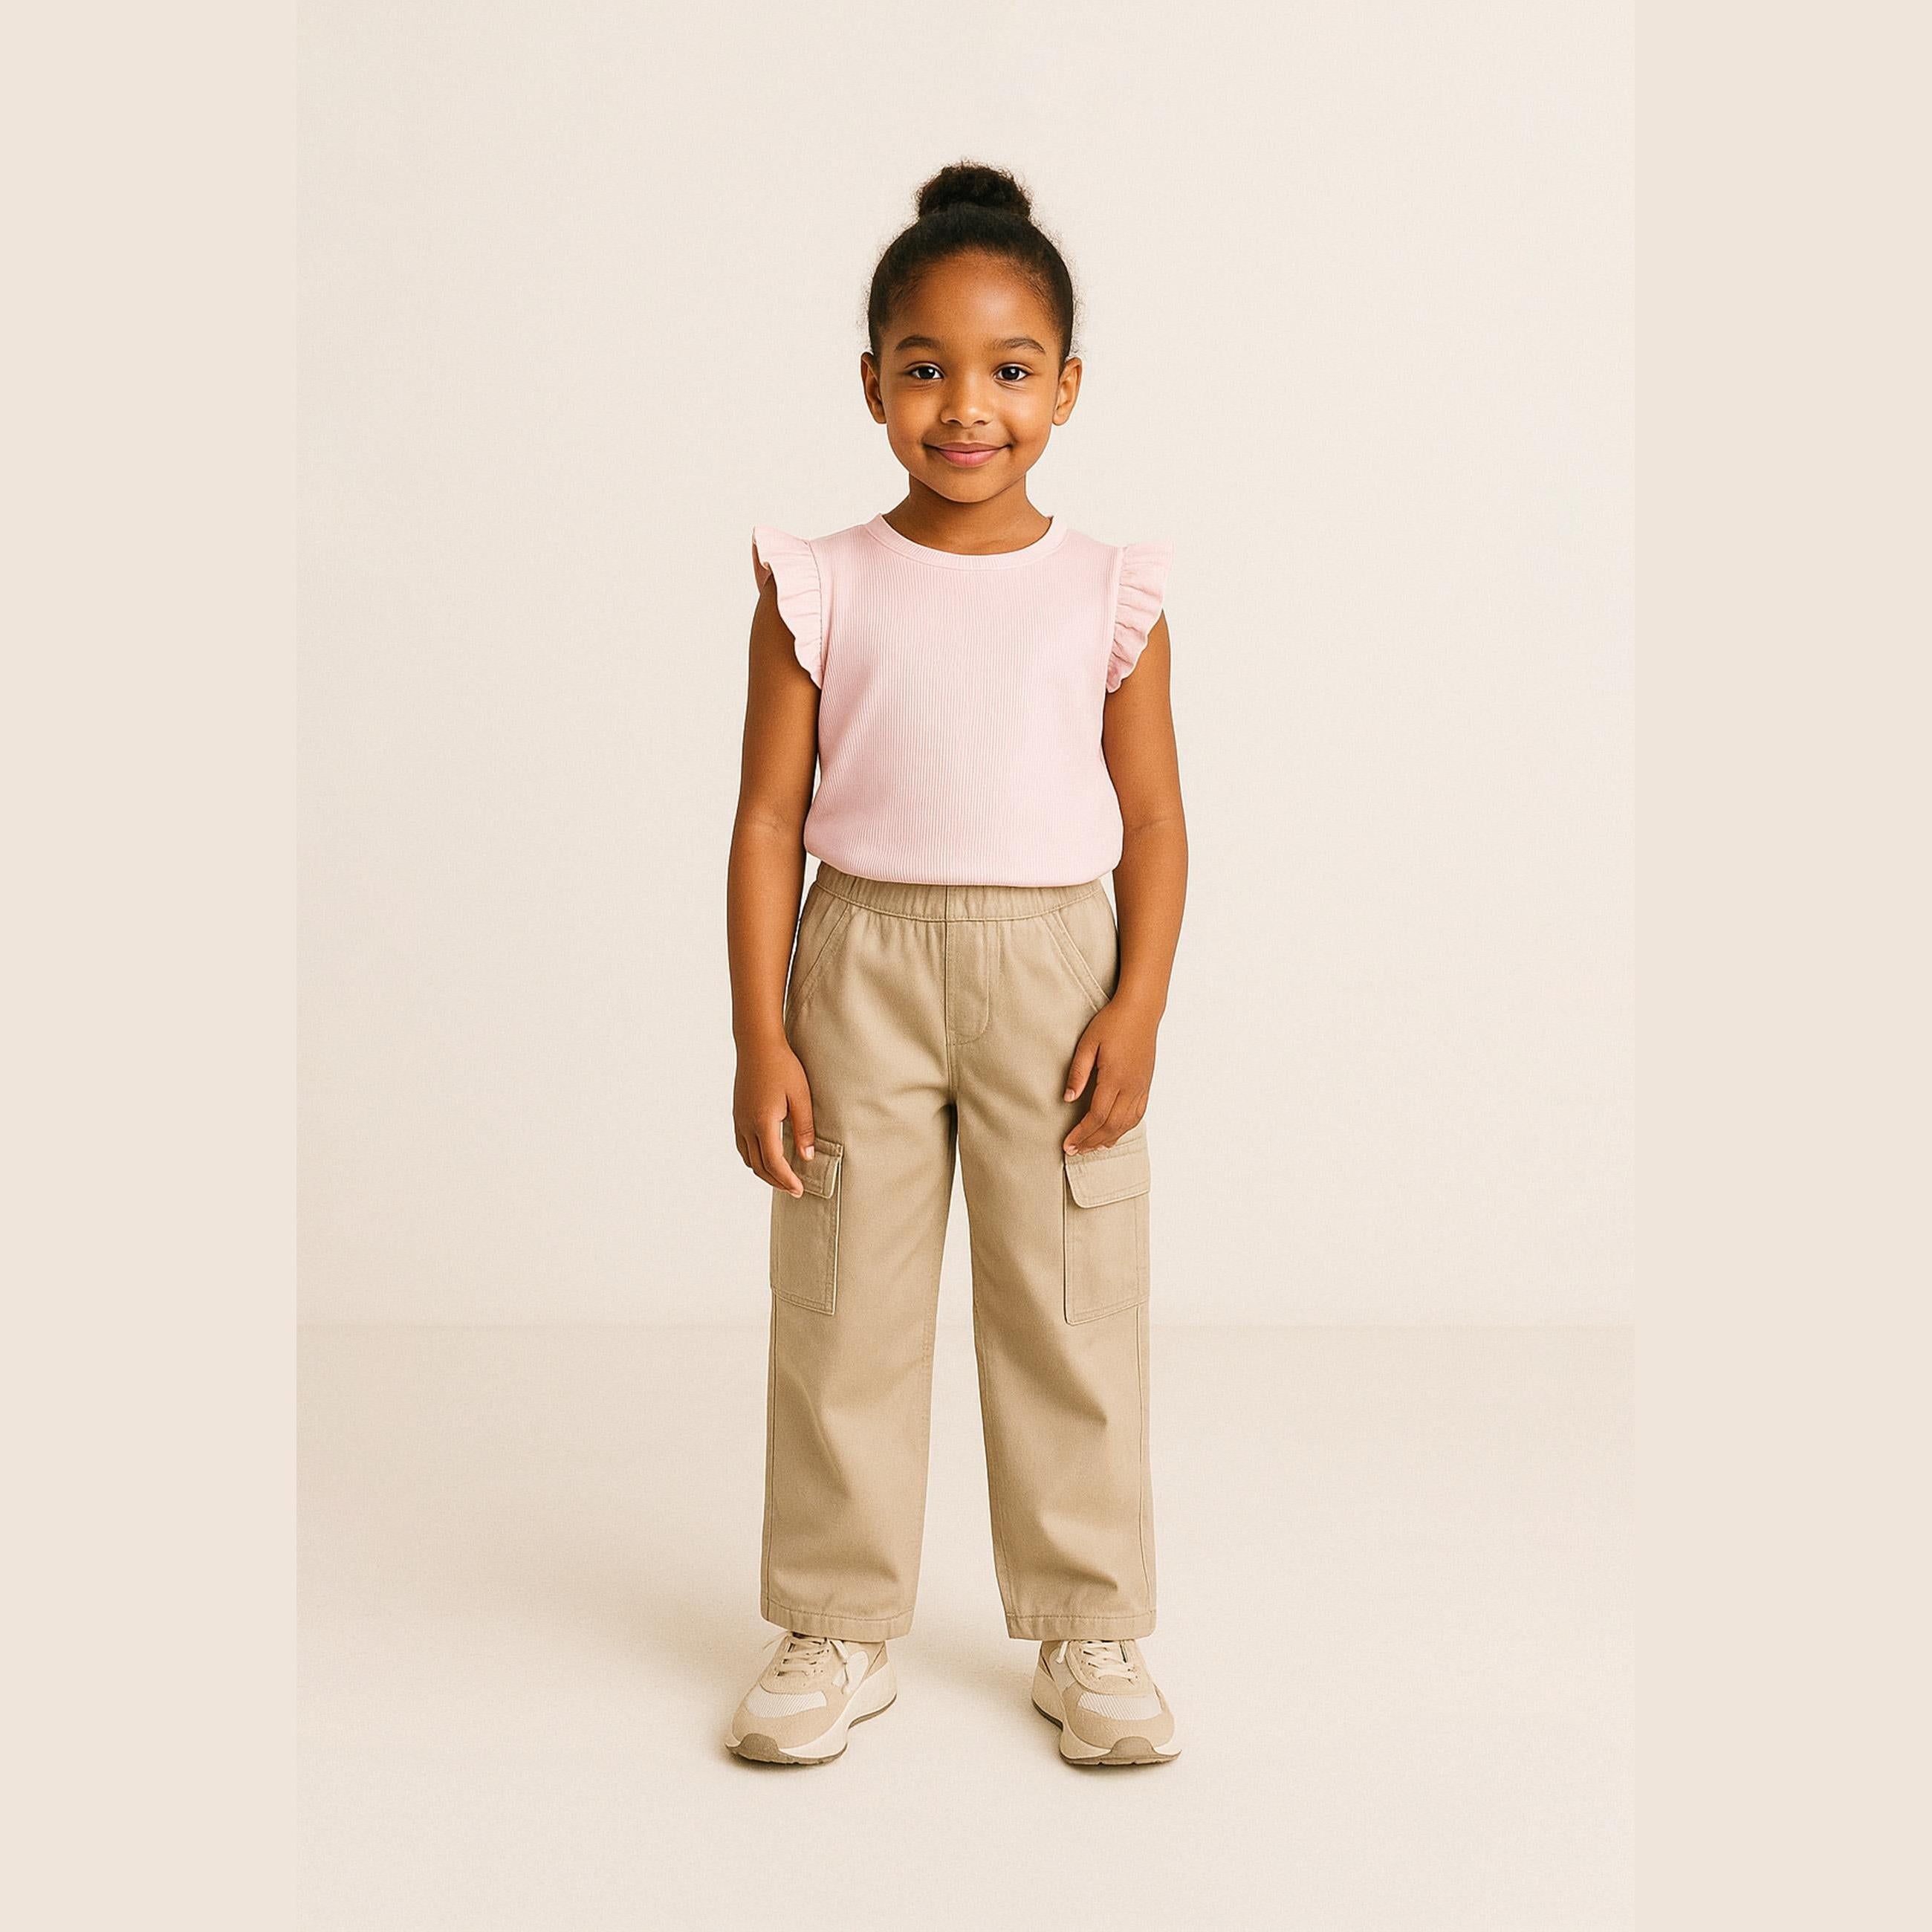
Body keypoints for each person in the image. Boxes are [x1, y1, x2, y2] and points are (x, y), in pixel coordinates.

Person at [723, 161, 1187, 1768]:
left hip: (1055, 963)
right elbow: (769, 814)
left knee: (1066, 1299)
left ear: (1065, 388)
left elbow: (1155, 825)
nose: (964, 406)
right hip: (858, 958)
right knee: (843, 1296)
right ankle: (835, 1624)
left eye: (1006, 370)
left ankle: (1091, 1624)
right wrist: (757, 1034)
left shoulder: (1107, 589)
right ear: (871, 383)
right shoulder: (820, 581)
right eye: (924, 367)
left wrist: (1136, 1004)